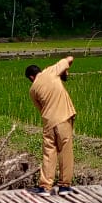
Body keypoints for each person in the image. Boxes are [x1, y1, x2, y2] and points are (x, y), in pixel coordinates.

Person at [25, 56, 77, 195]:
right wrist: (64, 72)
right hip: (63, 118)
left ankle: (45, 186)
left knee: (49, 153)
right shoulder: (51, 71)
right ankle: (64, 185)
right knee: (65, 151)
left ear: (31, 77)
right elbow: (70, 59)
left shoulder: (32, 90)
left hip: (48, 122)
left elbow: (40, 108)